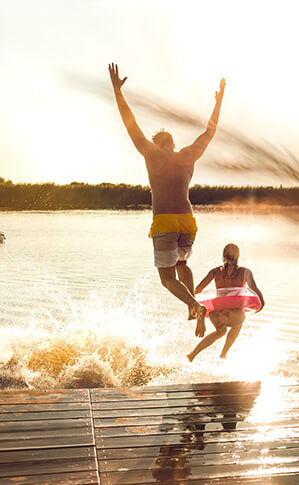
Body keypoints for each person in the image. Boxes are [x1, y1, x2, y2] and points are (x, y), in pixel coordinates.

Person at [108, 62, 225, 337]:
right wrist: (219, 102)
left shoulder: (151, 154)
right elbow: (210, 132)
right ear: (173, 144)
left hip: (164, 221)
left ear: (157, 144)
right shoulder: (187, 155)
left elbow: (130, 125)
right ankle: (191, 306)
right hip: (188, 221)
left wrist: (117, 92)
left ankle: (196, 306)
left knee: (167, 279)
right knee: (182, 264)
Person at [187, 244, 265, 361]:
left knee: (220, 332)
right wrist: (261, 303)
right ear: (238, 255)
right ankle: (224, 353)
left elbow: (197, 290)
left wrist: (198, 311)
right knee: (238, 324)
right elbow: (254, 289)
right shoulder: (245, 272)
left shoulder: (214, 271)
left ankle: (193, 354)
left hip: (217, 313)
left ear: (223, 255)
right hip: (233, 313)